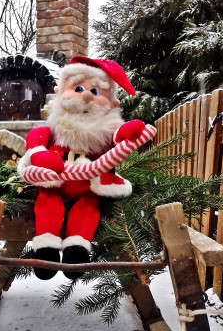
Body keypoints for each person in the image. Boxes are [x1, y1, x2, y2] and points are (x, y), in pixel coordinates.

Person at [17, 56, 147, 280]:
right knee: (48, 200)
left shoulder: (107, 128)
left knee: (88, 205)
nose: (86, 95)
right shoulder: (54, 126)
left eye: (95, 92)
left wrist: (127, 133)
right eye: (78, 88)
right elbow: (36, 138)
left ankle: (76, 249)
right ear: (60, 92)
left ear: (112, 103)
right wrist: (40, 155)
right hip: (55, 179)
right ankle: (46, 249)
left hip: (88, 184)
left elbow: (117, 138)